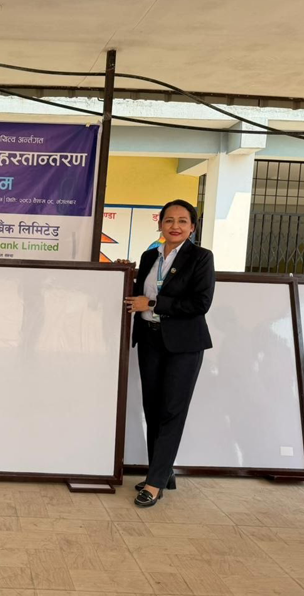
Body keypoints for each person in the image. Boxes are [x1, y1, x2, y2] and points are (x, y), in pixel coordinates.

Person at [123, 199, 215, 508]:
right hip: (150, 339)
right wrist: (122, 274)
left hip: (183, 345)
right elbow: (139, 293)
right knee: (152, 409)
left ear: (192, 227)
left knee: (171, 411)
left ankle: (155, 482)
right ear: (160, 224)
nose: (175, 226)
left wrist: (152, 304)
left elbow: (200, 303)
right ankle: (162, 473)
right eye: (169, 220)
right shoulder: (150, 256)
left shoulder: (201, 257)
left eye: (182, 221)